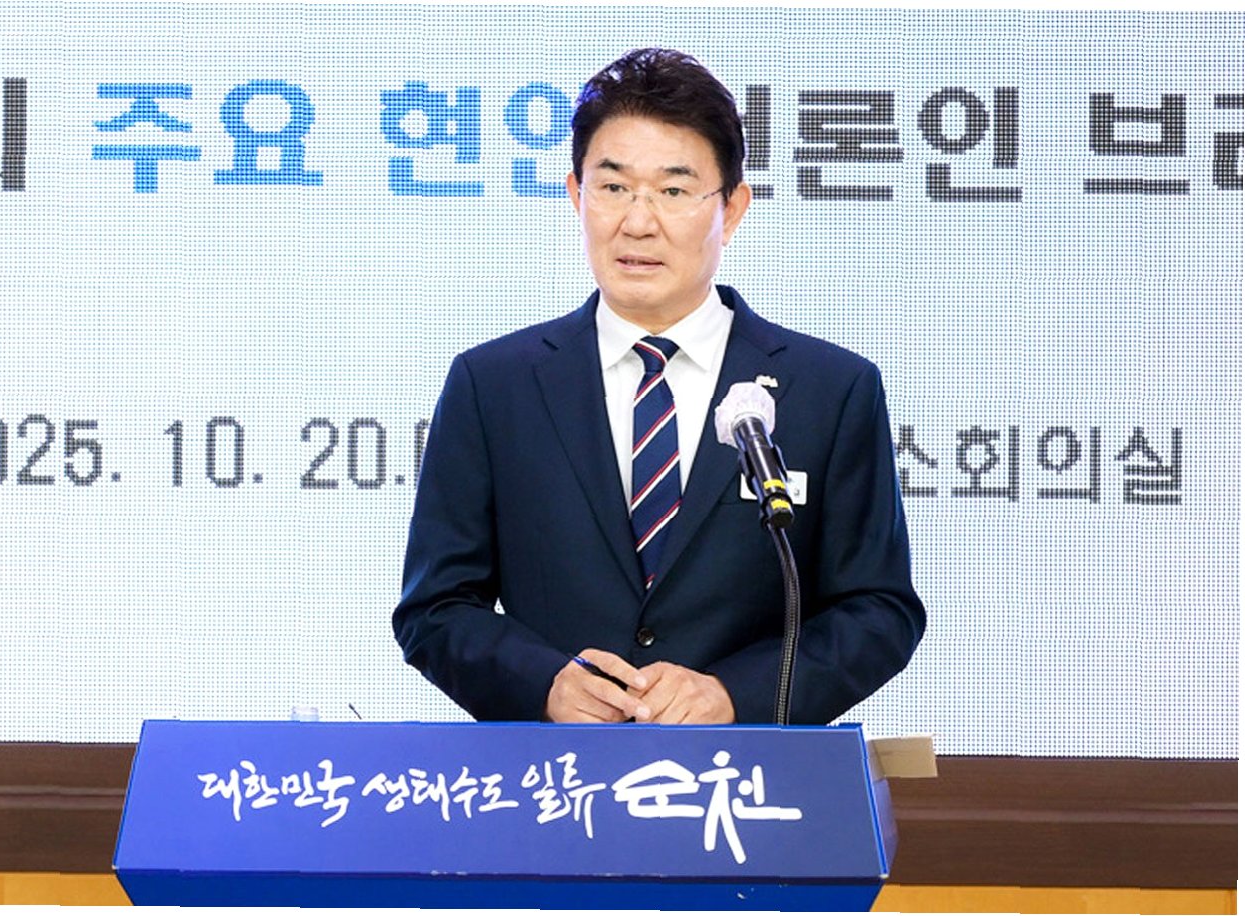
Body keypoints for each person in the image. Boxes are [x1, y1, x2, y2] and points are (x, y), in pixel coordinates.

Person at [393, 48, 925, 725]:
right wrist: (544, 685)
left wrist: (734, 694)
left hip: (744, 777)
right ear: (575, 195)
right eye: (612, 187)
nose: (637, 222)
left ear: (731, 209)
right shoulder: (494, 385)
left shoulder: (831, 389)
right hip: (555, 775)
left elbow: (878, 611)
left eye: (673, 192)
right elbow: (436, 607)